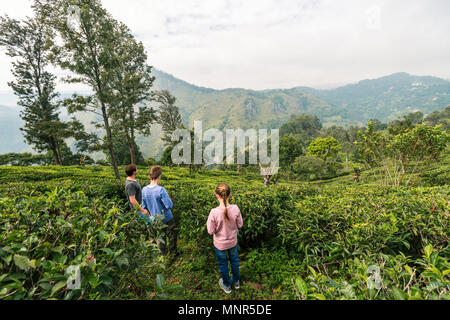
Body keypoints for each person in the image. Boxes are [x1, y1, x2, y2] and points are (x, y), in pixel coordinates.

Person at [207, 183, 243, 294]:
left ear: (216, 195)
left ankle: (227, 285)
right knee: (234, 261)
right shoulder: (235, 208)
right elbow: (240, 225)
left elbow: (210, 231)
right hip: (232, 242)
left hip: (220, 244)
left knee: (223, 264)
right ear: (230, 195)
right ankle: (236, 282)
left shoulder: (214, 212)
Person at [142, 166, 181, 257]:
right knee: (172, 236)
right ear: (159, 176)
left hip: (154, 219)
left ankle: (165, 254)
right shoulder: (161, 190)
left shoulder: (144, 190)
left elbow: (144, 206)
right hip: (167, 218)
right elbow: (169, 205)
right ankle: (173, 253)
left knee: (160, 238)